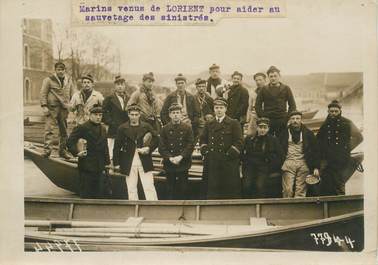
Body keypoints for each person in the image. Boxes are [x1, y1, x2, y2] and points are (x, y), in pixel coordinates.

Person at [113, 104, 159, 200]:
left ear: (139, 115)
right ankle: (134, 208)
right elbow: (116, 146)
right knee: (131, 187)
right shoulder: (122, 128)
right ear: (128, 115)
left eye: (136, 114)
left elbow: (157, 139)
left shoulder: (146, 126)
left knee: (149, 186)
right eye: (132, 114)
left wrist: (149, 149)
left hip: (144, 159)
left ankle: (153, 207)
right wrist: (116, 163)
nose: (134, 117)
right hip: (128, 160)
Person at [317, 100, 363, 195]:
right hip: (327, 159)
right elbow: (318, 140)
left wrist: (347, 148)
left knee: (339, 182)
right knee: (327, 183)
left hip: (341, 158)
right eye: (331, 111)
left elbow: (359, 137)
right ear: (328, 112)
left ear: (340, 111)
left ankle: (341, 202)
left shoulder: (347, 123)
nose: (333, 113)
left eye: (336, 111)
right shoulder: (326, 124)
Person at [200, 98, 243, 199]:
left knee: (229, 191)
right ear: (213, 109)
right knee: (213, 191)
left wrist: (229, 154)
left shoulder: (233, 123)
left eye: (221, 108)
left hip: (228, 162)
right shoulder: (209, 124)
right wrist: (206, 151)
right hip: (213, 162)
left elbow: (239, 141)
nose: (219, 110)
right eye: (216, 108)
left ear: (225, 109)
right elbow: (203, 139)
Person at [67, 105, 111, 198]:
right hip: (86, 165)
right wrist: (77, 153)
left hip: (100, 165)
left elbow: (105, 146)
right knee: (86, 193)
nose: (98, 117)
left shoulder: (103, 129)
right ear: (90, 115)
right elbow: (70, 141)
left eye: (100, 115)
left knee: (99, 193)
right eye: (96, 115)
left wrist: (107, 162)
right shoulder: (82, 127)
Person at [278, 111, 320, 198]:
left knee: (300, 191)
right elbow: (278, 150)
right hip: (288, 162)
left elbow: (315, 151)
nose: (295, 121)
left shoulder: (308, 133)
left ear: (301, 120)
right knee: (287, 190)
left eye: (297, 118)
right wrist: (281, 163)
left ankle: (298, 209)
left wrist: (316, 166)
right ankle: (287, 209)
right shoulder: (284, 133)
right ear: (289, 120)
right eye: (293, 119)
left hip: (303, 163)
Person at [39, 61, 76, 158]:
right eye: (58, 69)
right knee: (49, 129)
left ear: (65, 70)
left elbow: (73, 94)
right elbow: (43, 93)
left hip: (64, 109)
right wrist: (44, 106)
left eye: (62, 69)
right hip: (52, 108)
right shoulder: (48, 80)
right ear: (55, 70)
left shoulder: (69, 80)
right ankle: (47, 151)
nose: (60, 71)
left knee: (63, 131)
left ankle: (62, 151)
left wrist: (73, 106)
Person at [158, 103, 195, 199]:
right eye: (173, 113)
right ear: (170, 115)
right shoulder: (164, 129)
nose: (175, 115)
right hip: (169, 163)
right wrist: (170, 158)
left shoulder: (187, 128)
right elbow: (161, 147)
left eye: (177, 113)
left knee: (183, 188)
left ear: (181, 114)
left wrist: (181, 156)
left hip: (183, 162)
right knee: (170, 189)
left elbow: (190, 145)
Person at [241, 117, 284, 198]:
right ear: (257, 128)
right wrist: (246, 162)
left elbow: (280, 155)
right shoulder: (249, 139)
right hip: (250, 166)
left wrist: (271, 164)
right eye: (260, 127)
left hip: (264, 166)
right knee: (246, 186)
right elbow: (242, 153)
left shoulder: (273, 140)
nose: (262, 130)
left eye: (265, 127)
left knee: (260, 186)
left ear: (268, 129)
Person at [255, 66, 296, 137]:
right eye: (271, 76)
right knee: (268, 141)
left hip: (282, 119)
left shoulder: (286, 88)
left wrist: (286, 118)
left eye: (275, 76)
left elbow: (292, 105)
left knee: (282, 142)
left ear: (279, 76)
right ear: (268, 77)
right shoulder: (264, 89)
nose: (273, 78)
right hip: (268, 120)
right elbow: (257, 105)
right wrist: (263, 117)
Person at [102, 75, 129, 163]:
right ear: (115, 86)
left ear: (125, 86)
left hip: (125, 128)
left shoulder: (128, 98)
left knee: (123, 147)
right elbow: (104, 112)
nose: (120, 86)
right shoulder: (109, 99)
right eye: (118, 84)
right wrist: (111, 122)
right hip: (113, 128)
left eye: (122, 84)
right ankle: (110, 166)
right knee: (111, 148)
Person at [246, 72, 267, 136]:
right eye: (256, 80)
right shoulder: (253, 93)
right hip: (255, 116)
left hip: (266, 116)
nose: (258, 82)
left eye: (260, 80)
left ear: (265, 80)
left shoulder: (269, 91)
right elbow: (249, 107)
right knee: (251, 135)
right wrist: (248, 119)